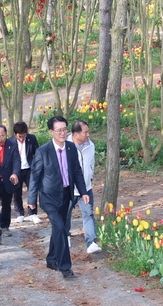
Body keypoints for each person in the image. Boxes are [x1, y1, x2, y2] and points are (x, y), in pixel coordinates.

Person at [28, 116, 88, 279]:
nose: (63, 133)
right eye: (59, 130)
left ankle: (51, 259)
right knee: (61, 228)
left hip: (66, 195)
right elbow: (35, 177)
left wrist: (83, 192)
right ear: (51, 132)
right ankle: (65, 267)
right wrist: (31, 201)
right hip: (49, 197)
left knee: (59, 228)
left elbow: (77, 171)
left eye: (64, 129)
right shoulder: (43, 151)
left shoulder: (70, 147)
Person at [67, 120, 101, 254]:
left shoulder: (90, 145)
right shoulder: (66, 146)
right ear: (76, 134)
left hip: (86, 188)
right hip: (68, 189)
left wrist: (90, 176)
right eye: (85, 132)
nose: (88, 134)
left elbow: (90, 163)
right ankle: (65, 236)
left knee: (88, 214)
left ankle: (91, 243)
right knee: (65, 215)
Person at [9, 121, 41, 224]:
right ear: (15, 134)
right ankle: (19, 213)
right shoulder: (10, 142)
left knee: (32, 190)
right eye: (19, 136)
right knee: (17, 192)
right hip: (16, 170)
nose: (22, 138)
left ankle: (32, 213)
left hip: (29, 169)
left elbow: (37, 153)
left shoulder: (32, 138)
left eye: (23, 136)